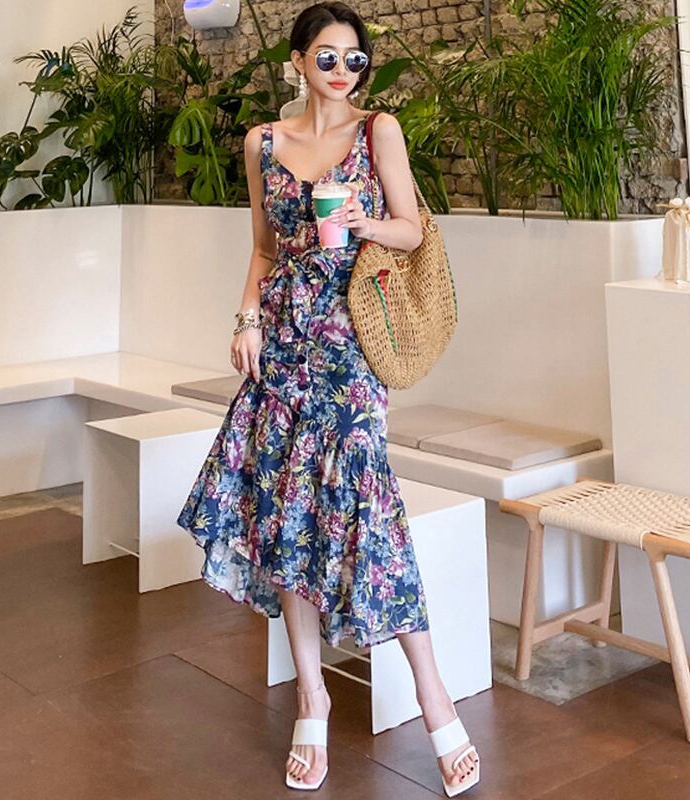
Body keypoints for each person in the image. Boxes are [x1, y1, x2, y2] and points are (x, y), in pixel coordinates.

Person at [176, 2, 480, 796]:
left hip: (349, 348)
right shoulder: (263, 143)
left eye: (355, 59)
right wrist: (246, 320)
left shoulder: (379, 131)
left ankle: (435, 698)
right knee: (286, 515)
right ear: (298, 61)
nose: (343, 71)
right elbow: (263, 248)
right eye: (328, 57)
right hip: (281, 346)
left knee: (371, 512)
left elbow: (414, 229)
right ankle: (312, 700)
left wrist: (364, 221)